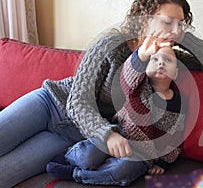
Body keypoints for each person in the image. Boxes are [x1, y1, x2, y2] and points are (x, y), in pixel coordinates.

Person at [0, 0, 203, 187]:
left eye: (179, 25)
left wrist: (180, 37)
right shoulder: (112, 43)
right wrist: (106, 135)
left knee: (5, 175)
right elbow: (77, 101)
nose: (173, 30)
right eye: (167, 22)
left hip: (71, 136)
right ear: (145, 19)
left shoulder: (167, 59)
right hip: (50, 104)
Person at [46, 44, 186, 186]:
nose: (161, 63)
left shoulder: (179, 104)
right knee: (87, 157)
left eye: (168, 60)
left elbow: (176, 138)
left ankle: (77, 174)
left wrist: (163, 163)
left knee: (121, 171)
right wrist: (142, 54)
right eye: (155, 59)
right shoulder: (138, 86)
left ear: (175, 73)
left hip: (144, 155)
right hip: (118, 134)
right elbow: (129, 73)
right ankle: (69, 157)